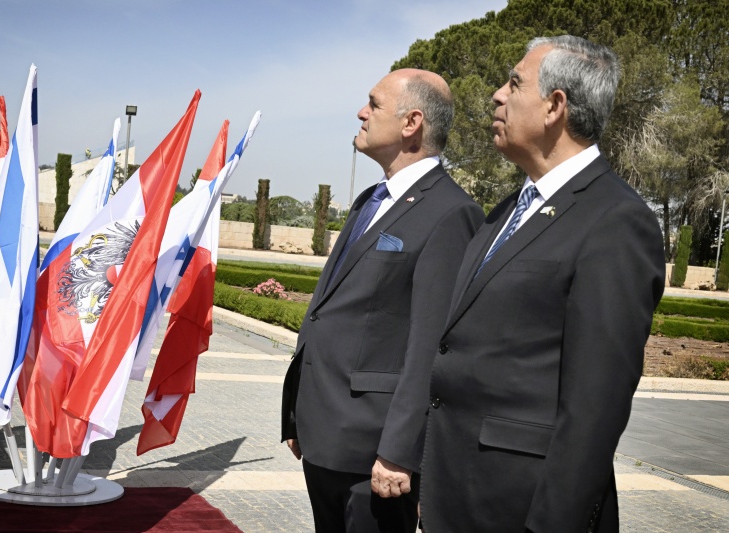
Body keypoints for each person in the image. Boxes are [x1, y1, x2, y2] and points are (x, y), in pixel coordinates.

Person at [420, 35, 665, 532]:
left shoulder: (615, 221)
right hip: (456, 495)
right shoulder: (506, 213)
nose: (497, 95)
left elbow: (594, 410)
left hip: (522, 509)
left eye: (514, 83)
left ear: (556, 106)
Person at [281, 68, 484, 532]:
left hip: (374, 453)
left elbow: (430, 345)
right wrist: (297, 411)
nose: (361, 112)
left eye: (373, 104)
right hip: (325, 433)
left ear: (411, 122)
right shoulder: (371, 200)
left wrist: (399, 449)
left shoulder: (452, 213)